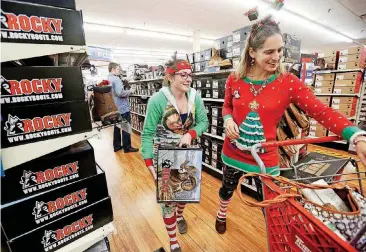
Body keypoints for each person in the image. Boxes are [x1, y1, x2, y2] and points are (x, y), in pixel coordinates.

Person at [215, 16, 366, 234]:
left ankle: (275, 239)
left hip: (265, 158)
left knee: (271, 206)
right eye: (269, 52)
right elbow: (227, 106)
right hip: (233, 152)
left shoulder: (288, 83)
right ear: (252, 53)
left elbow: (321, 111)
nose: (276, 57)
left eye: (280, 50)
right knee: (227, 188)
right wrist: (228, 119)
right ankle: (221, 213)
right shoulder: (234, 79)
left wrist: (356, 136)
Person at [141, 56, 209, 252]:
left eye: (190, 75)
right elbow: (147, 134)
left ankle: (180, 215)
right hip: (164, 156)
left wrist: (191, 133)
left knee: (185, 194)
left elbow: (203, 122)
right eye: (183, 75)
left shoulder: (195, 97)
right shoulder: (157, 100)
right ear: (170, 77)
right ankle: (173, 241)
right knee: (168, 200)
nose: (188, 79)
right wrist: (149, 164)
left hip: (188, 155)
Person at [108, 62, 139, 153]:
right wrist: (130, 91)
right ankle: (127, 147)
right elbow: (120, 93)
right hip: (122, 107)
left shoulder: (108, 78)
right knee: (126, 127)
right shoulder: (116, 79)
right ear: (113, 69)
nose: (120, 71)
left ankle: (117, 146)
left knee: (117, 127)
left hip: (114, 107)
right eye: (118, 69)